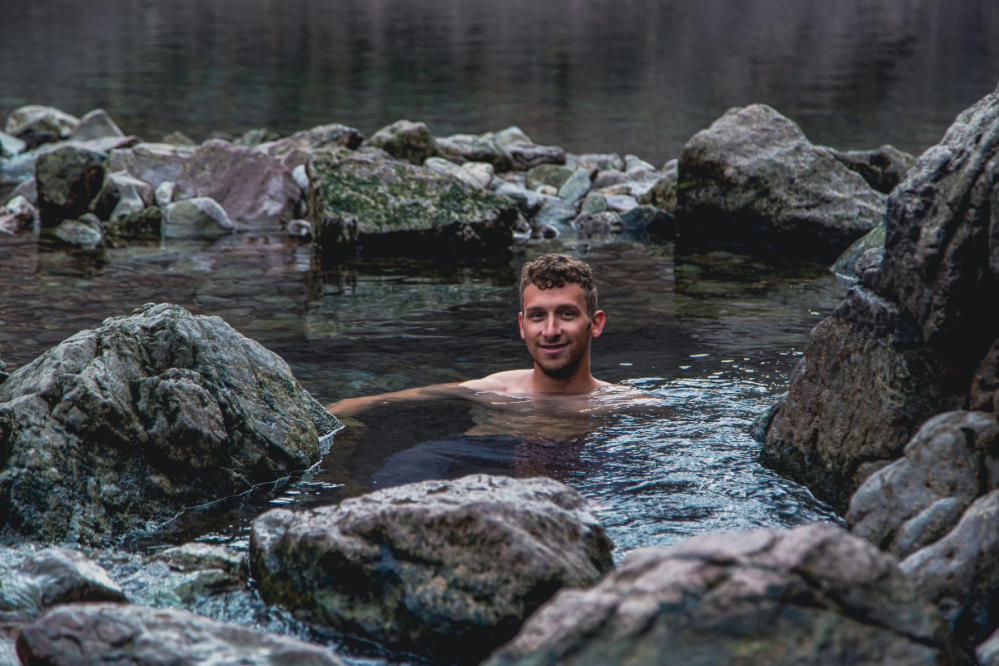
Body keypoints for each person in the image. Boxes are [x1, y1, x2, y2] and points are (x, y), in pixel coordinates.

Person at [326, 253, 613, 421]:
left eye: (566, 314)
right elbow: (389, 400)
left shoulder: (626, 407)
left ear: (595, 324)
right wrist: (331, 414)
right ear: (522, 325)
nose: (550, 331)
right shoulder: (495, 391)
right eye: (537, 316)